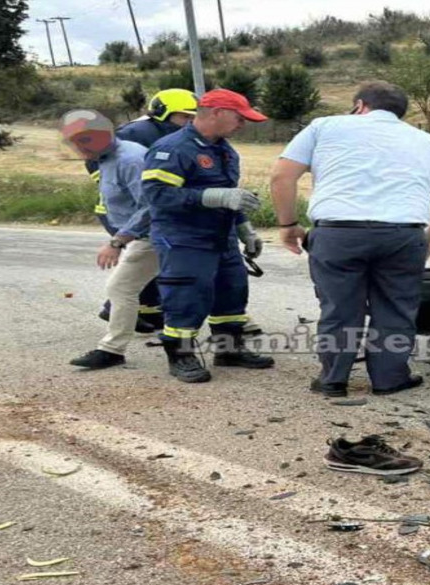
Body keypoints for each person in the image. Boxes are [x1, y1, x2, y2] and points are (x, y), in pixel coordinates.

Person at [271, 81, 430, 400]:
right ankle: (390, 379)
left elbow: (282, 176)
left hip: (337, 234)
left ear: (360, 105)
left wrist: (288, 224)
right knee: (396, 308)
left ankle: (333, 380)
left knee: (339, 308)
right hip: (403, 236)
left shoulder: (325, 126)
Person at [141, 89, 274, 384]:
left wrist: (244, 229)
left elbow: (231, 198)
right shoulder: (173, 149)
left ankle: (229, 350)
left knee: (232, 292)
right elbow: (157, 195)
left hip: (221, 236)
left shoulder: (225, 151)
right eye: (239, 118)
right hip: (184, 237)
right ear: (216, 113)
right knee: (187, 295)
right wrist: (213, 196)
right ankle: (180, 356)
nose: (242, 124)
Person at [85, 89, 200, 334]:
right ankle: (115, 308)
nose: (189, 123)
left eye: (193, 118)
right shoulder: (135, 133)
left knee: (151, 259)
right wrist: (110, 181)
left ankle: (145, 310)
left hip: (148, 208)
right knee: (148, 257)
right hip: (125, 213)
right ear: (163, 113)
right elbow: (94, 158)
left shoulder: (175, 135)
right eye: (183, 117)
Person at [61, 110, 157, 370]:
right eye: (73, 141)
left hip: (155, 236)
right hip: (143, 236)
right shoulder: (107, 158)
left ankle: (112, 350)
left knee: (121, 288)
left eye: (83, 141)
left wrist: (117, 242)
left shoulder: (131, 159)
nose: (77, 148)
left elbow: (150, 206)